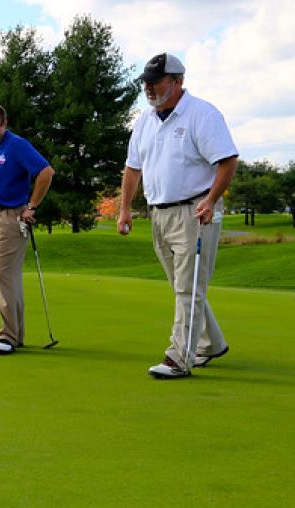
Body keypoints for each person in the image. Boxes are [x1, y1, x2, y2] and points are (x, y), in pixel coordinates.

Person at [116, 53, 238, 379]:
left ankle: (179, 357)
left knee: (188, 287)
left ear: (178, 81)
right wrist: (125, 208)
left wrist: (212, 201)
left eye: (155, 82)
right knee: (183, 285)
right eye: (145, 82)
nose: (149, 88)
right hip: (159, 213)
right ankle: (211, 343)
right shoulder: (144, 119)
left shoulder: (201, 114)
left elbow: (227, 161)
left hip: (196, 210)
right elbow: (133, 167)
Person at [0, 103, 55, 355]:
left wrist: (31, 206)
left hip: (10, 218)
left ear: (4, 124)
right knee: (3, 279)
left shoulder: (17, 146)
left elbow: (46, 171)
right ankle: (10, 333)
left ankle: (8, 337)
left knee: (4, 277)